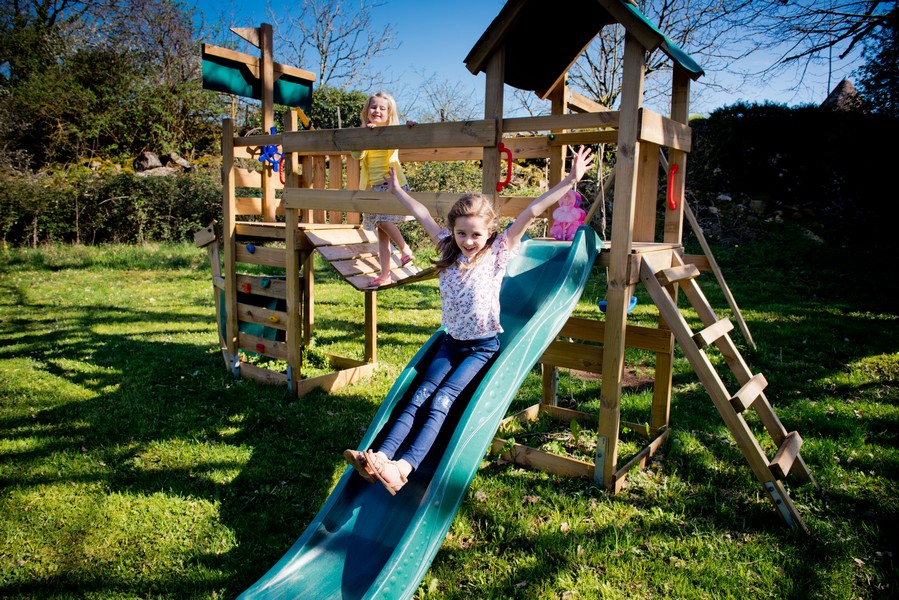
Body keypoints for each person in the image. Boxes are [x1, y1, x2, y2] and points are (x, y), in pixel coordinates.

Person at [343, 145, 595, 495]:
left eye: (475, 234)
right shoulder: (447, 246)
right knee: (419, 395)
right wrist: (399, 190)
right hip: (450, 343)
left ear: (490, 230)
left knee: (442, 399)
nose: (468, 241)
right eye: (462, 233)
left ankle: (402, 468)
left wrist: (570, 180)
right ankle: (379, 458)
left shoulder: (497, 251)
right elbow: (420, 214)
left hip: (481, 348)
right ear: (453, 231)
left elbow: (532, 209)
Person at [352, 91, 416, 288]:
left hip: (392, 184)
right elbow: (356, 154)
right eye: (373, 107)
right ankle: (385, 273)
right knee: (381, 234)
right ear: (367, 111)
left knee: (383, 221)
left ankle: (405, 250)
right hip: (374, 188)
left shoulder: (392, 130)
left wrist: (409, 127)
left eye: (382, 108)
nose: (377, 111)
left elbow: (405, 137)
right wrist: (365, 135)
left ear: (389, 113)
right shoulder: (365, 133)